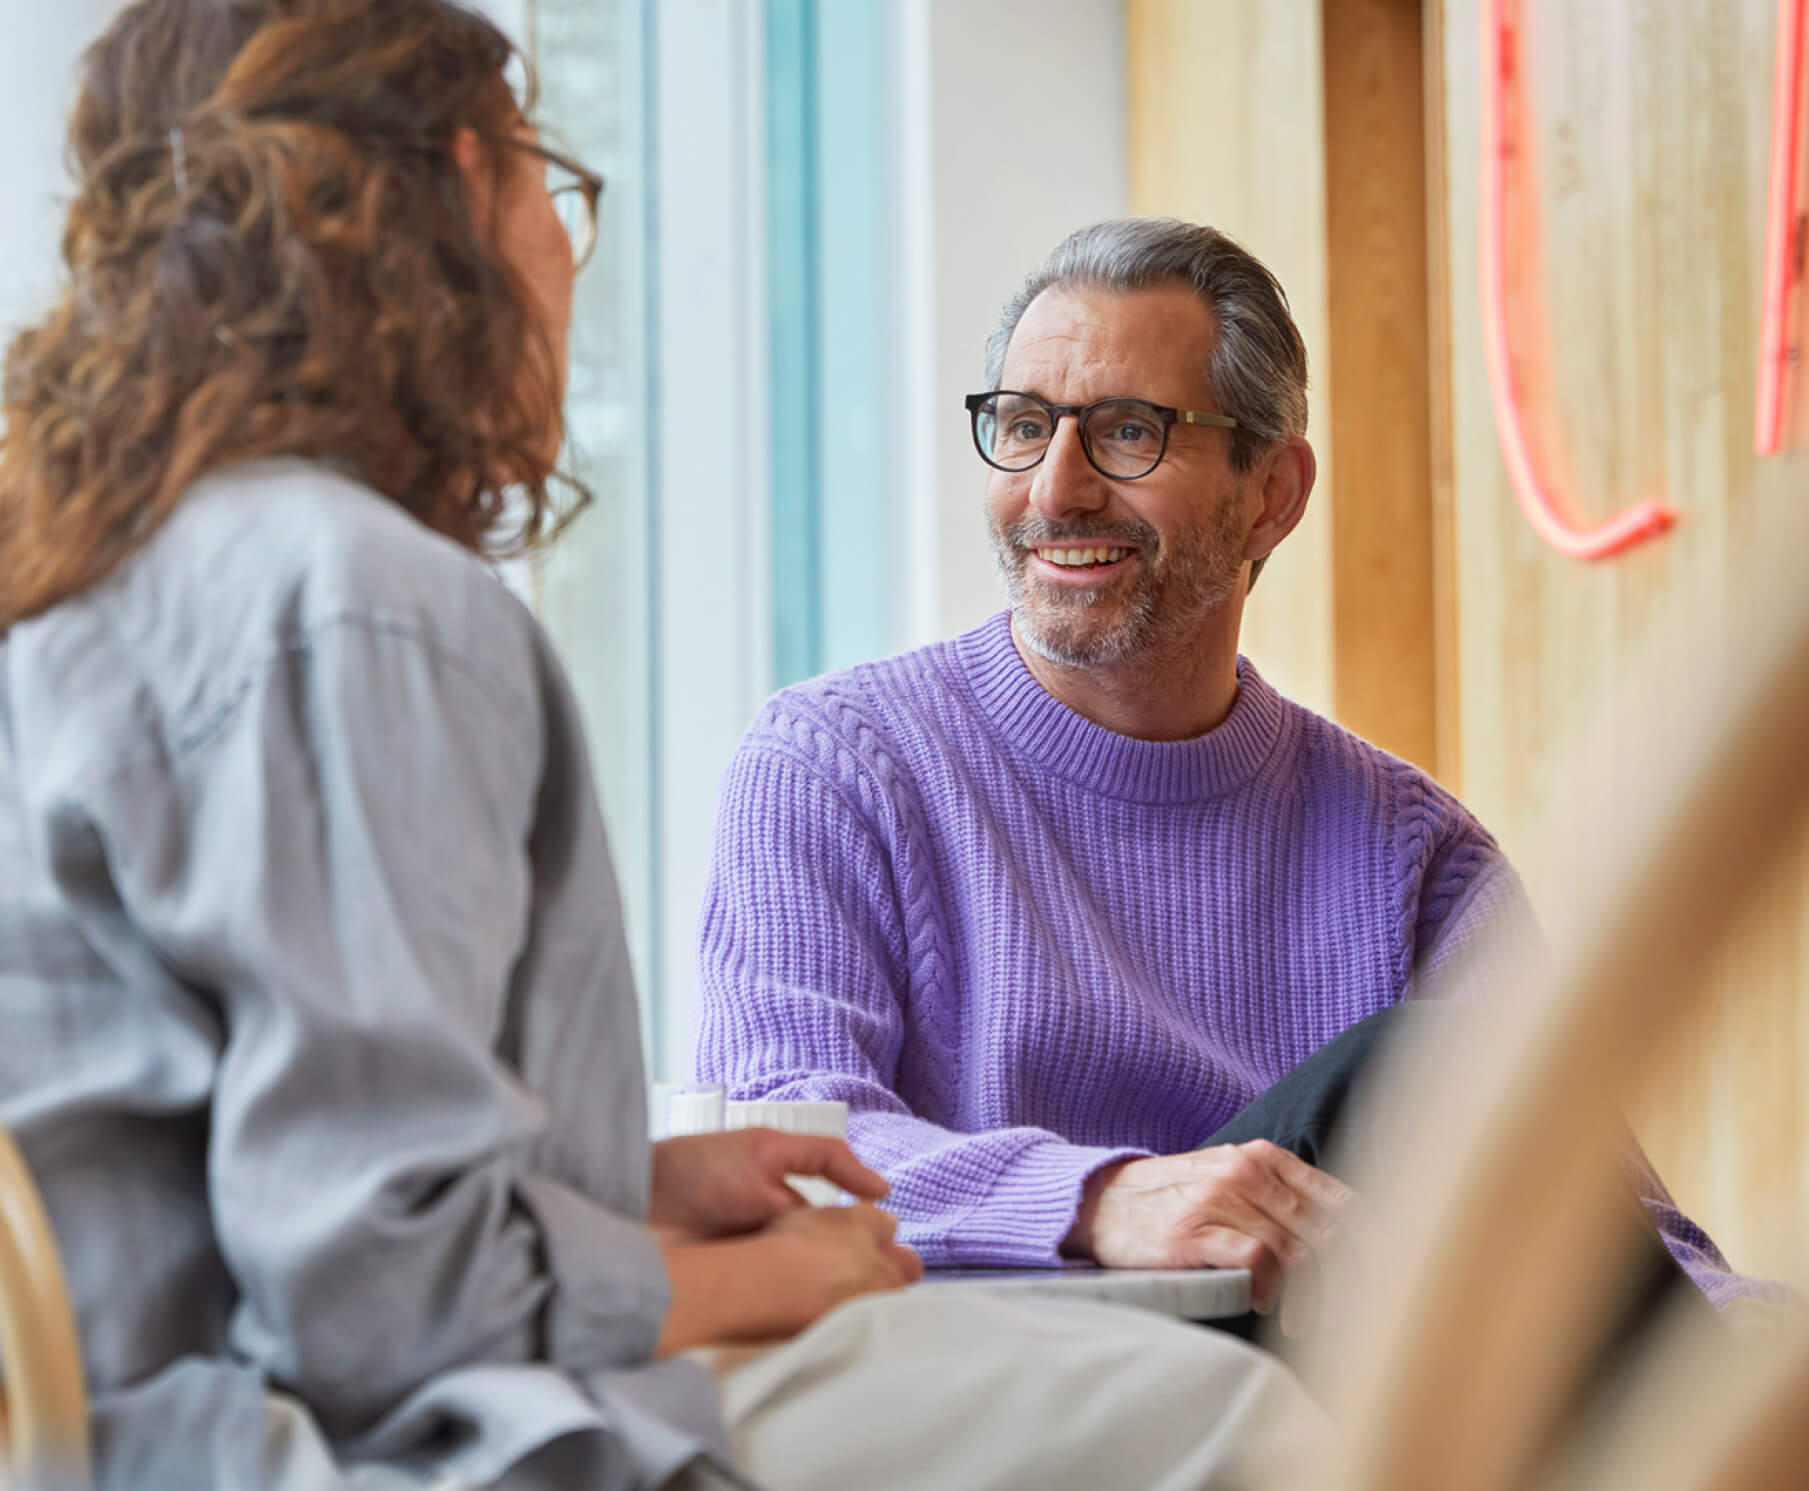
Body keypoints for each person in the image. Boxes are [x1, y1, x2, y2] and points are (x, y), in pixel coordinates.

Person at [0, 10, 1318, 1490]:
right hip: (190, 1444)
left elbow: (282, 1166)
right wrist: (772, 1271)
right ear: (466, 187)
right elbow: (381, 1311)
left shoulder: (127, 575)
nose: (565, 251)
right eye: (554, 184)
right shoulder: (363, 607)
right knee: (1237, 1422)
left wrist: (622, 1193)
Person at [694, 216, 1770, 1327]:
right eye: (1022, 427)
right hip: (1007, 1376)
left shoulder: (1415, 852)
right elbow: (786, 1149)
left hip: (1315, 1409)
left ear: (1273, 495)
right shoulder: (834, 767)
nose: (1054, 490)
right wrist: (1102, 1200)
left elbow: (1610, 1225)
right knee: (1406, 1080)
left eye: (1127, 433)